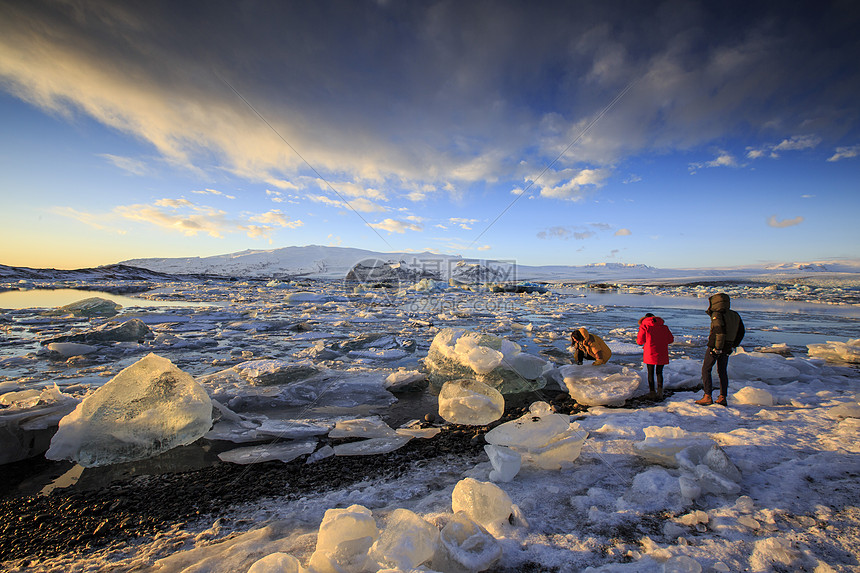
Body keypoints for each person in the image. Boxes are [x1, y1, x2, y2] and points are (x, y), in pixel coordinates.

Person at [695, 293, 745, 406]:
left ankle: (707, 396)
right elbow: (741, 332)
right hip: (727, 346)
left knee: (706, 369)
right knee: (722, 371)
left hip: (716, 346)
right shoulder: (734, 315)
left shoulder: (717, 314)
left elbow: (719, 331)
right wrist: (733, 345)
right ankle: (723, 396)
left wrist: (717, 348)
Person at [636, 312, 674, 400]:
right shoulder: (664, 327)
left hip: (650, 352)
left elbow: (640, 341)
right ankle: (660, 392)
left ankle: (652, 392)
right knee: (659, 372)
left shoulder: (644, 326)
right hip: (662, 351)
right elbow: (670, 340)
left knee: (650, 372)